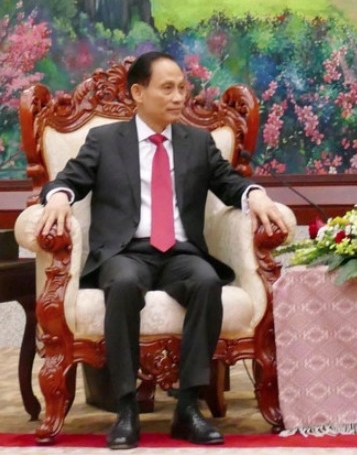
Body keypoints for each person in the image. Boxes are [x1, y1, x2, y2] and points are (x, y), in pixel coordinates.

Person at [35, 51, 289, 450]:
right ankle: (126, 409)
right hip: (126, 252)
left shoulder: (197, 142)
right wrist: (58, 198)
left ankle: (188, 407)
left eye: (182, 88)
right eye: (167, 88)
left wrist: (255, 195)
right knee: (122, 284)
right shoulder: (105, 141)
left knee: (206, 282)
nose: (178, 97)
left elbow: (229, 183)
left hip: (181, 253)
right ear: (138, 92)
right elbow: (70, 179)